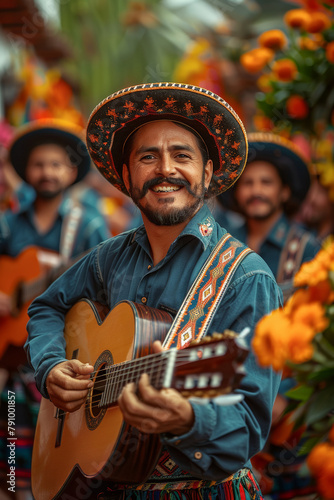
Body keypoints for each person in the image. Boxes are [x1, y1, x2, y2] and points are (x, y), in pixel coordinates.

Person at [25, 83, 282, 500]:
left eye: (182, 155)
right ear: (127, 176)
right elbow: (48, 307)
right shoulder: (106, 258)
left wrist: (188, 418)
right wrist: (52, 366)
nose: (166, 169)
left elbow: (248, 428)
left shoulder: (247, 279)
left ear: (209, 173)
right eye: (148, 156)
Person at [0, 119, 110, 500]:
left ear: (72, 171)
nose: (47, 171)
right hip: (12, 361)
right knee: (10, 460)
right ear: (26, 171)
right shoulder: (8, 225)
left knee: (53, 462)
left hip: (64, 359)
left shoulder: (90, 227)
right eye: (38, 163)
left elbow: (104, 292)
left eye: (56, 163)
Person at [218, 132, 321, 303]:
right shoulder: (222, 244)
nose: (256, 191)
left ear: (284, 192)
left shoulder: (307, 250)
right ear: (236, 193)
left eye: (266, 182)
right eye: (247, 183)